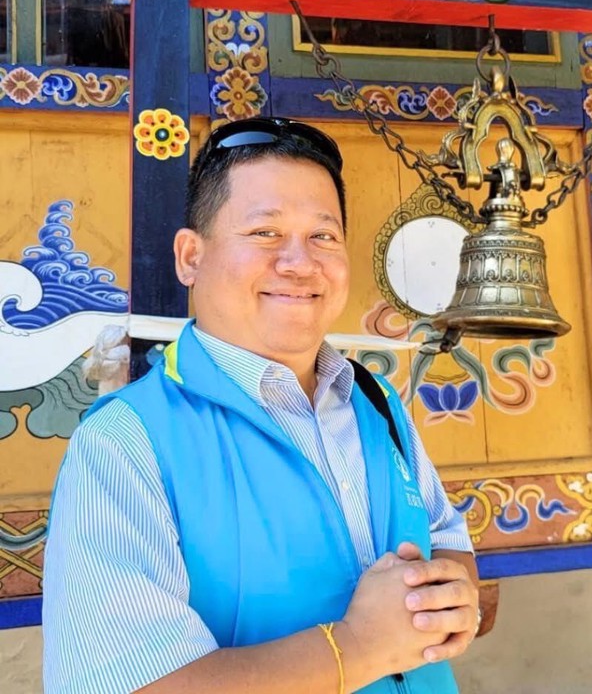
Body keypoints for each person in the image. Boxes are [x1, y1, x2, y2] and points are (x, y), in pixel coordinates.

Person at [43, 116, 480, 694]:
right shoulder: (125, 442)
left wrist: (454, 596)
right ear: (190, 256)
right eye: (265, 232)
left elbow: (446, 537)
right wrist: (358, 647)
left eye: (323, 236)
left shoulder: (374, 403)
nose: (300, 263)